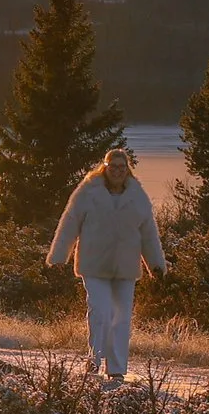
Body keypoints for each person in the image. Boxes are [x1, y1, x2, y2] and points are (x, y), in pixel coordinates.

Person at [46, 146, 167, 381]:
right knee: (100, 312)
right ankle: (92, 364)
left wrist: (156, 266)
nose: (118, 171)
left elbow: (149, 234)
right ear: (105, 167)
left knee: (121, 318)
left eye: (122, 167)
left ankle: (117, 370)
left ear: (127, 169)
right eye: (113, 167)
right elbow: (69, 224)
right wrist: (59, 257)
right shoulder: (88, 192)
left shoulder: (137, 196)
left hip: (125, 267)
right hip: (94, 264)